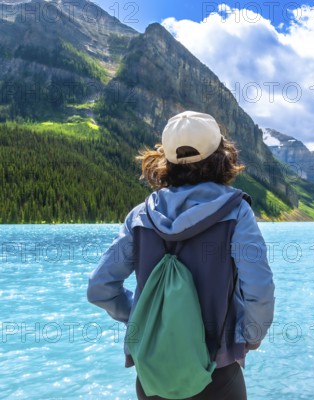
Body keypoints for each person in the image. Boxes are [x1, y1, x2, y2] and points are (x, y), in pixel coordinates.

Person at [87, 111, 275, 400]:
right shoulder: (236, 212)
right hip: (217, 371)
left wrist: (141, 318)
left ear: (167, 159)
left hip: (152, 373)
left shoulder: (140, 217)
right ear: (221, 156)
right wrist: (251, 334)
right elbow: (258, 288)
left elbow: (100, 288)